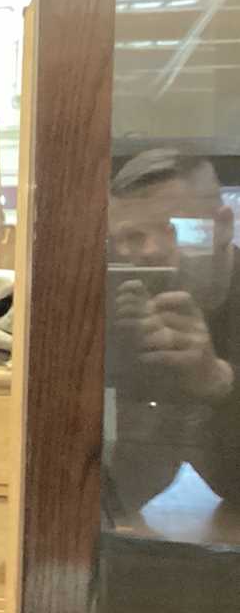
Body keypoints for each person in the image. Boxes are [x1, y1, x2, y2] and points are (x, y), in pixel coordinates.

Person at [106, 149, 240, 537]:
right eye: (129, 237)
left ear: (224, 226)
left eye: (175, 228)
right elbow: (120, 489)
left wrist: (219, 380)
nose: (148, 251)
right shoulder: (113, 302)